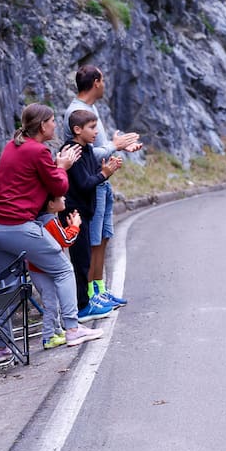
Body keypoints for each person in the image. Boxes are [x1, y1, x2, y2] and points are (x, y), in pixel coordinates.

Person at [0, 104, 103, 352]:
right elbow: (59, 188)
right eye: (52, 121)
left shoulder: (12, 145)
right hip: (17, 225)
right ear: (41, 126)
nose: (55, 125)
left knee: (9, 285)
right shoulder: (38, 151)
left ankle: (0, 346)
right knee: (63, 270)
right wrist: (62, 167)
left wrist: (57, 167)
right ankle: (72, 328)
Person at [66, 66, 141, 307]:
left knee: (104, 237)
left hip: (103, 181)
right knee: (93, 241)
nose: (105, 84)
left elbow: (100, 146)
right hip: (93, 182)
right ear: (96, 82)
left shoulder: (91, 109)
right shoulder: (78, 111)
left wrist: (119, 146)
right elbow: (85, 154)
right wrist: (114, 146)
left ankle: (100, 288)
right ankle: (90, 294)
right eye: (103, 79)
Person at [65, 109, 124, 317]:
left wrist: (107, 170)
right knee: (80, 261)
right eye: (91, 127)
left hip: (86, 212)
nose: (96, 131)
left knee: (86, 258)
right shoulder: (73, 151)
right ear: (77, 129)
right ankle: (82, 307)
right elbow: (83, 183)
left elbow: (93, 177)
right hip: (74, 215)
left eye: (96, 126)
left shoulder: (88, 149)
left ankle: (87, 300)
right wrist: (104, 173)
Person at [29, 196, 84, 350]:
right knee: (51, 304)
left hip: (39, 268)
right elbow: (65, 240)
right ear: (51, 204)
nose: (65, 198)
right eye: (60, 197)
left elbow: (57, 238)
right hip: (42, 270)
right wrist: (75, 226)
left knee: (52, 302)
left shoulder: (44, 219)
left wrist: (68, 227)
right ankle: (48, 337)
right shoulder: (50, 221)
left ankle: (57, 331)